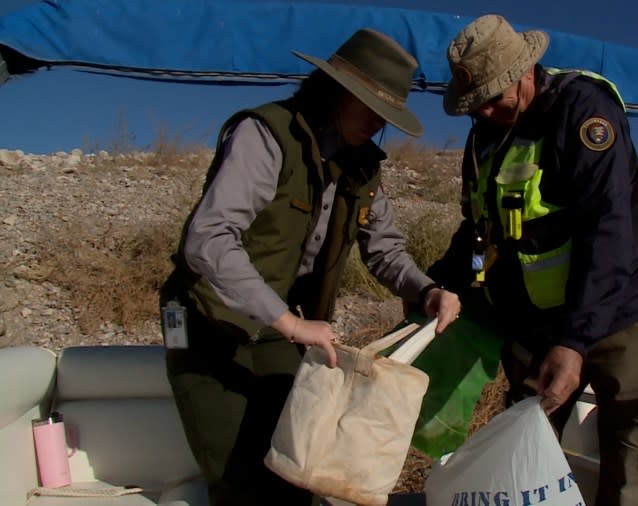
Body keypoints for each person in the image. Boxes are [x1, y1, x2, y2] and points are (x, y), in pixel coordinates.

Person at [159, 28, 461, 506]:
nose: (379, 124)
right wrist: (291, 323)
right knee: (238, 478)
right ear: (339, 91)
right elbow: (208, 241)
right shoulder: (266, 136)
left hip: (277, 324)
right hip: (202, 321)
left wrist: (428, 292)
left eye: (388, 116)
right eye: (372, 108)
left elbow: (383, 249)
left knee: (301, 463)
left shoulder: (363, 166)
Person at [428, 14, 638, 506]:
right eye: (472, 104)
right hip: (541, 322)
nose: (480, 113)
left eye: (489, 98)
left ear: (525, 73)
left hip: (626, 307)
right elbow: (479, 233)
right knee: (523, 437)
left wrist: (576, 339)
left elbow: (609, 230)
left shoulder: (584, 113)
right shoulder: (485, 133)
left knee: (631, 448)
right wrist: (440, 286)